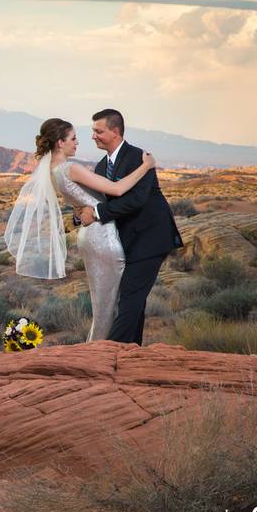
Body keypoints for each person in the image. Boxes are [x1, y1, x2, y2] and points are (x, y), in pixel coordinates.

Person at [4, 117, 156, 341]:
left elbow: (82, 201)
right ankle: (100, 355)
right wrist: (146, 165)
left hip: (90, 235)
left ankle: (104, 352)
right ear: (59, 143)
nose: (77, 143)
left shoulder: (52, 171)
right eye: (73, 139)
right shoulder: (70, 168)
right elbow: (116, 189)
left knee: (104, 304)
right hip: (102, 236)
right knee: (110, 305)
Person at [75, 109, 184, 345]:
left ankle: (108, 353)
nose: (93, 136)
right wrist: (82, 214)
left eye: (98, 131)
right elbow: (98, 201)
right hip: (128, 242)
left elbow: (136, 200)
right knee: (133, 301)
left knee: (130, 297)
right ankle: (130, 352)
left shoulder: (139, 158)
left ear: (115, 132)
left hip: (151, 238)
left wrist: (95, 214)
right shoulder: (102, 166)